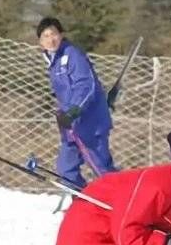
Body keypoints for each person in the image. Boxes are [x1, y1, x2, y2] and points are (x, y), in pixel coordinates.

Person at [36, 17, 116, 190]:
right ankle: (83, 203)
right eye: (46, 36)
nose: (51, 39)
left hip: (89, 124)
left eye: (54, 34)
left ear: (61, 34)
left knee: (101, 168)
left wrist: (73, 111)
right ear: (40, 42)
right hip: (71, 127)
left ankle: (122, 201)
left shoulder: (72, 54)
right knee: (66, 169)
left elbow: (85, 86)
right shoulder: (54, 61)